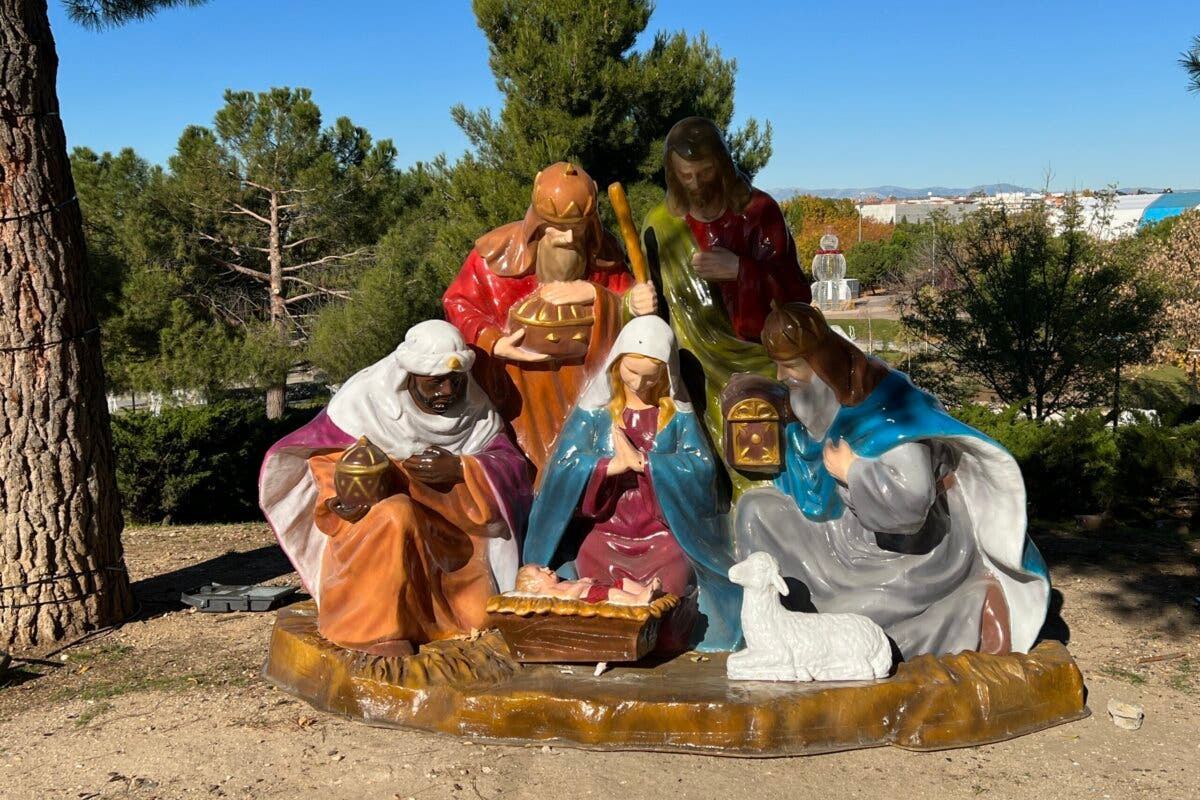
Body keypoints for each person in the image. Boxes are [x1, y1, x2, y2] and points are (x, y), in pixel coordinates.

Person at [732, 303, 1051, 659]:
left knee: (850, 621)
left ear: (822, 364)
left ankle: (973, 609)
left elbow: (911, 505)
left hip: (906, 552)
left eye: (791, 367)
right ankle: (786, 628)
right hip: (841, 535)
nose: (782, 375)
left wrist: (853, 472)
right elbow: (811, 449)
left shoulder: (888, 413)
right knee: (756, 510)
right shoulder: (820, 395)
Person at [259, 320, 532, 656]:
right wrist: (341, 499)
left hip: (453, 539)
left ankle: (439, 620)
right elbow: (329, 462)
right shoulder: (364, 404)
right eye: (434, 383)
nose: (446, 392)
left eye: (455, 381)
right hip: (381, 532)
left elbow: (510, 467)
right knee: (395, 515)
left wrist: (461, 469)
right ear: (407, 377)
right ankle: (380, 630)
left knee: (479, 615)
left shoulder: (475, 412)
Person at [522, 316, 742, 652]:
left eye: (650, 377)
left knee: (669, 597)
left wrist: (646, 464)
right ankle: (612, 642)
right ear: (616, 366)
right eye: (631, 372)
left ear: (666, 374)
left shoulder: (676, 417)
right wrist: (609, 466)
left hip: (662, 534)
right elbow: (563, 469)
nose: (639, 384)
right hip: (605, 533)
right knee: (595, 589)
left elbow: (702, 469)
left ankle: (659, 638)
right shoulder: (595, 415)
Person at [444, 161, 657, 478]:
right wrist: (495, 342)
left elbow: (629, 308)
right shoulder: (493, 256)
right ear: (537, 221)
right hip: (520, 393)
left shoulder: (606, 253)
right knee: (530, 464)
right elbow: (458, 303)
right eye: (556, 226)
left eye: (578, 227)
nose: (569, 237)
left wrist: (604, 297)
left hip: (589, 387)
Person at [640, 118, 811, 494]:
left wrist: (742, 270)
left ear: (722, 164)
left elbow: (797, 296)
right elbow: (647, 310)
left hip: (758, 359)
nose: (697, 183)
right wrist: (634, 304)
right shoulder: (660, 226)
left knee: (760, 454)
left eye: (705, 171)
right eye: (686, 175)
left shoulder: (759, 212)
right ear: (673, 173)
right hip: (692, 368)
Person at [514, 564, 662, 605]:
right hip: (591, 596)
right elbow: (567, 597)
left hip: (597, 590)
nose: (546, 568)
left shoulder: (562, 582)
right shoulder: (549, 592)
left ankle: (647, 591)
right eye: (539, 570)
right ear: (534, 586)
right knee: (614, 594)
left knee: (623, 583)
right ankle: (638, 600)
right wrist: (581, 584)